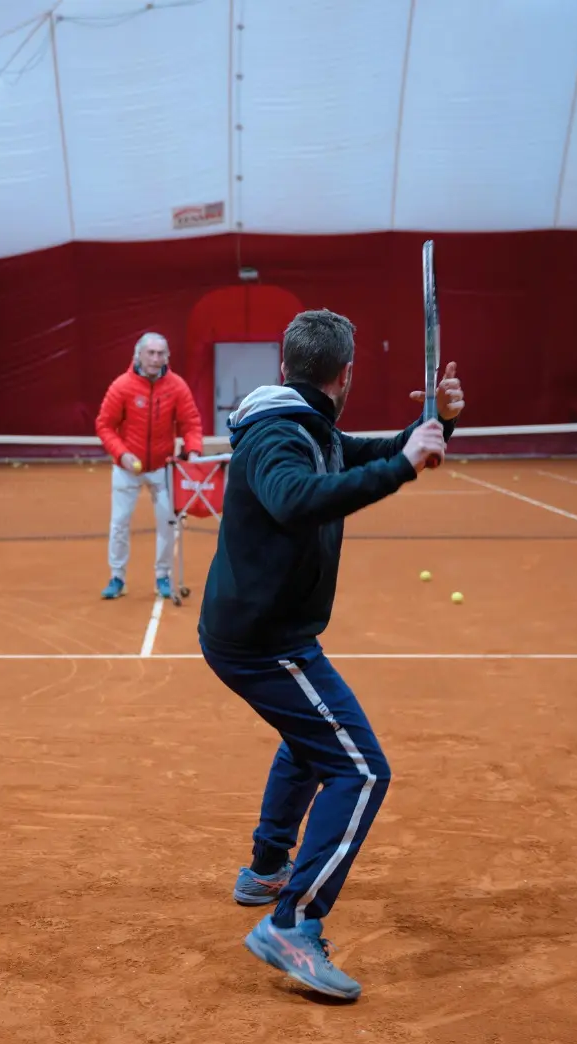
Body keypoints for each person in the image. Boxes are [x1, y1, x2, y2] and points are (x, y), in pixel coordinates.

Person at [197, 308, 464, 1000]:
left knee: (311, 742)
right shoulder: (277, 438)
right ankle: (294, 923)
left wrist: (436, 426)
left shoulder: (308, 428)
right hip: (263, 641)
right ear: (346, 375)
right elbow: (296, 500)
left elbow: (374, 451)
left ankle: (265, 870)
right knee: (362, 771)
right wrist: (406, 466)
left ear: (284, 368)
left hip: (264, 630)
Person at [95, 332, 204, 600]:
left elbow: (191, 424)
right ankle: (117, 577)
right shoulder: (121, 386)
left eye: (161, 353)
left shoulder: (177, 386)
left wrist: (193, 451)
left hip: (163, 468)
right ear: (139, 355)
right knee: (119, 523)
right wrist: (122, 456)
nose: (156, 359)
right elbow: (104, 425)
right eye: (151, 353)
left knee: (168, 522)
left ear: (168, 356)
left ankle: (162, 576)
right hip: (126, 469)